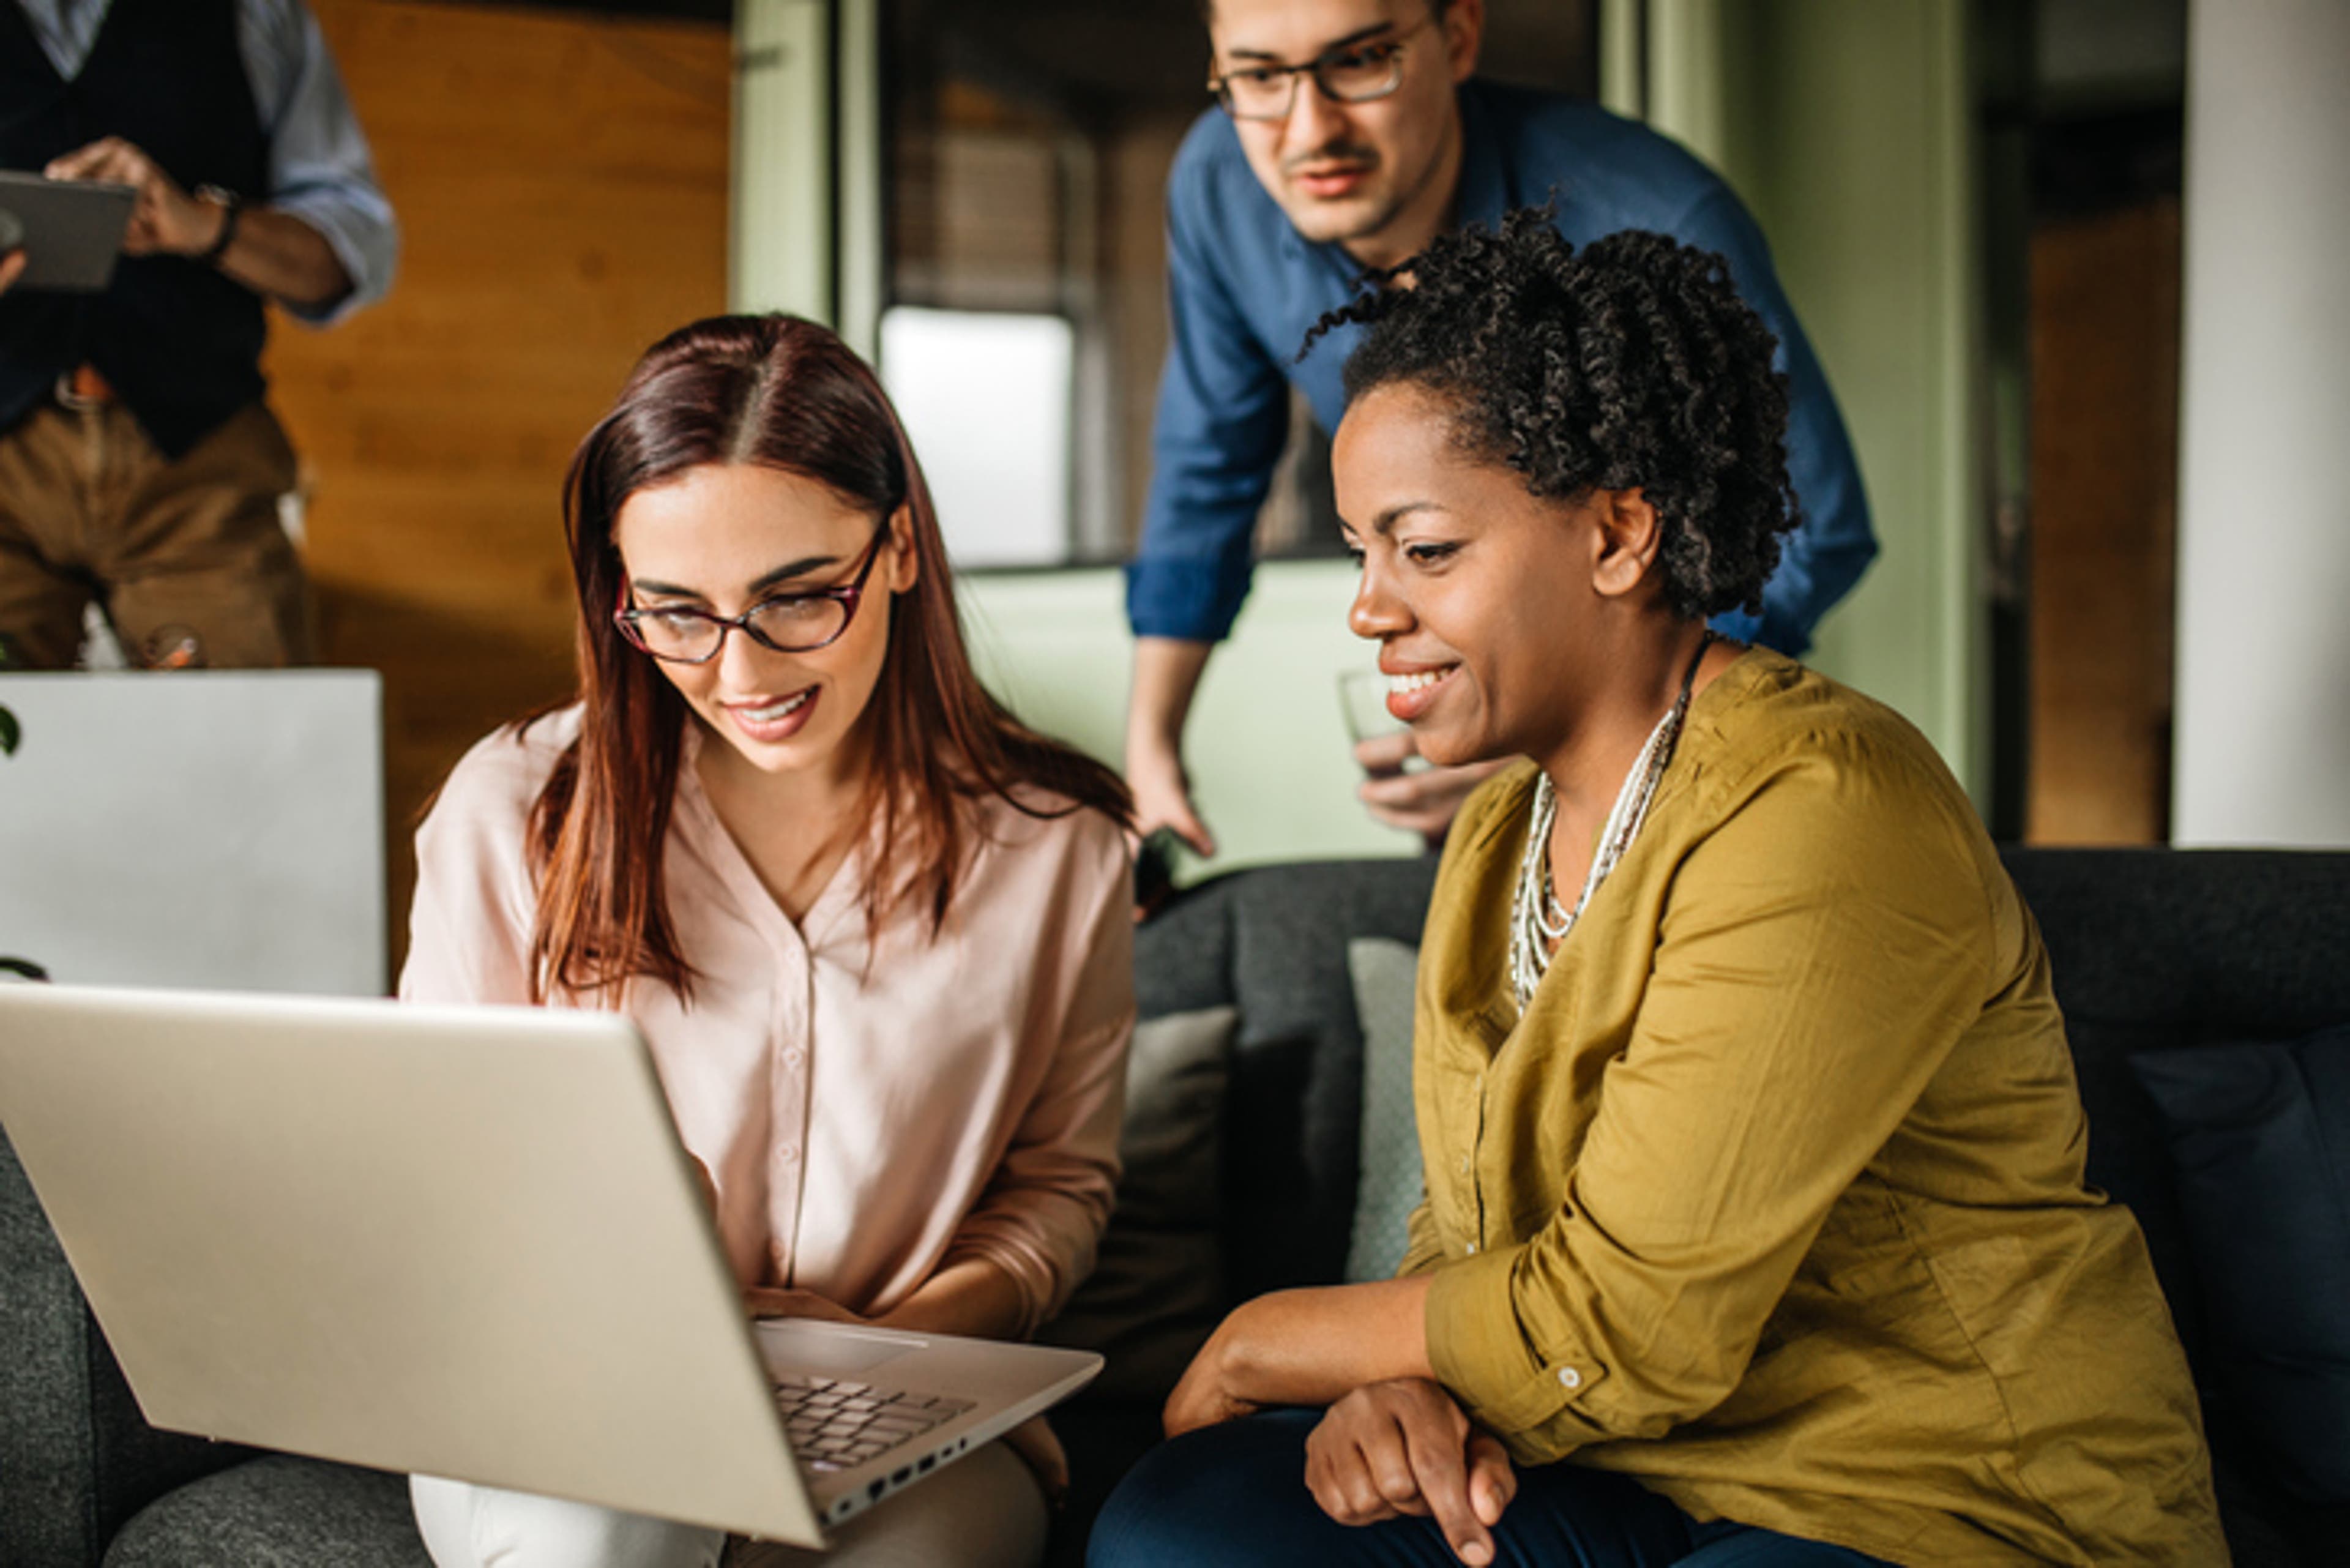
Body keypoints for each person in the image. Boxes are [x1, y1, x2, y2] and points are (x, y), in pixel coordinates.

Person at [1088, 214, 2224, 1567]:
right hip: (1615, 1465)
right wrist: (1391, 1384)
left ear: (1620, 534)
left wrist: (1265, 1338)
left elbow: (1632, 1328)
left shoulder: (1825, 809)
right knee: (1184, 1529)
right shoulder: (1499, 828)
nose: (1370, 608)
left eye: (1427, 550)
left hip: (1932, 1495)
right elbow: (1463, 1221)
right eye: (1360, 553)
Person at [400, 315, 1136, 1568]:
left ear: (899, 547)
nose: (740, 670)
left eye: (797, 599)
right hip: (578, 1382)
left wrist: (879, 1344)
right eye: (676, 613)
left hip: (905, 1390)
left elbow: (1058, 1191)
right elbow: (447, 1173)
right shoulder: (515, 806)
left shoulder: (1060, 843)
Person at [1125, 0, 1874, 857]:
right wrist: (1149, 752)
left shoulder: (1659, 216)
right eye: (1260, 75)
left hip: (1670, 747)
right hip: (1469, 729)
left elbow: (1820, 531)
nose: (1308, 130)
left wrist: (1573, 731)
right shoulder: (1221, 187)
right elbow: (1206, 472)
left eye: (1362, 59)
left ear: (1459, 36)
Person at [0, 0, 397, 669]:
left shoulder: (256, 15)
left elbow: (352, 253)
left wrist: (209, 226)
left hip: (199, 463)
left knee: (257, 751)